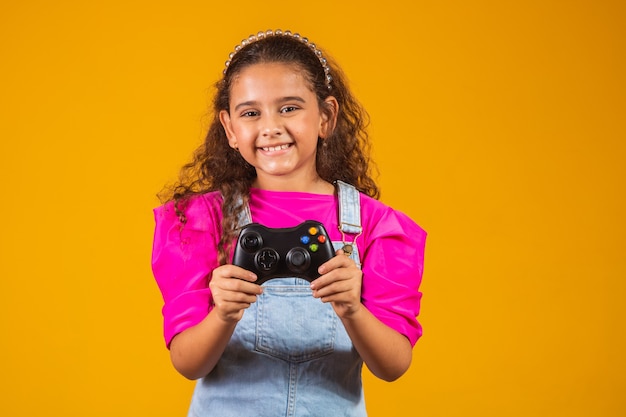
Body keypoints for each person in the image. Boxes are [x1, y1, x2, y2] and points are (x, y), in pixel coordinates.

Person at [151, 29, 426, 417]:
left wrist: (352, 308)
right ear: (230, 129)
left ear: (326, 117)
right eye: (250, 113)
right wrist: (223, 314)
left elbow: (393, 365)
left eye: (289, 107)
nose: (271, 127)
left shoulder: (378, 226)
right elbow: (187, 362)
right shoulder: (198, 221)